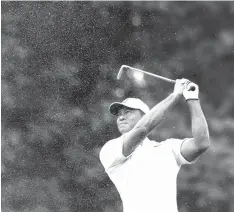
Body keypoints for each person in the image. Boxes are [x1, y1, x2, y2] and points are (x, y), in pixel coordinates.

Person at [99, 79, 210, 212]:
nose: (121, 118)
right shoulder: (110, 149)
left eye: (128, 112)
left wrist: (192, 99)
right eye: (119, 115)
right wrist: (175, 95)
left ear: (145, 116)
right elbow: (142, 129)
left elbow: (201, 143)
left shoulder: (167, 148)